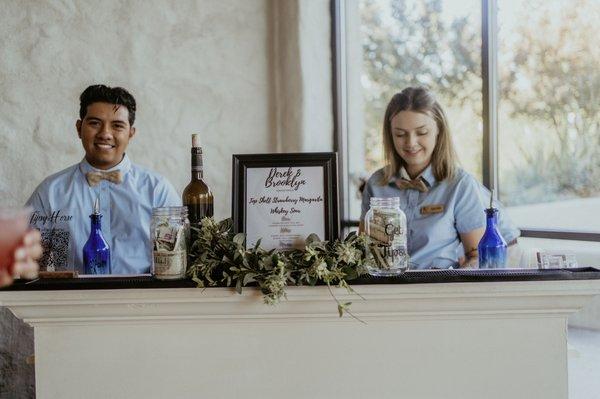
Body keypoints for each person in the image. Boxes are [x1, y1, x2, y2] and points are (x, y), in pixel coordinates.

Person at [26, 84, 180, 274]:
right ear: (79, 128)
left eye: (117, 125)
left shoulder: (158, 190)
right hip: (72, 300)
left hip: (143, 300)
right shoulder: (51, 192)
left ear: (131, 133)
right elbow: (31, 262)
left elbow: (175, 261)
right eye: (95, 123)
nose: (105, 134)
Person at [360, 86, 519, 269]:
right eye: (400, 134)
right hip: (385, 290)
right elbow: (365, 252)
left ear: (439, 130)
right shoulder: (376, 184)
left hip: (440, 290)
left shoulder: (460, 185)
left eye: (422, 132)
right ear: (390, 135)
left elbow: (477, 258)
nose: (411, 142)